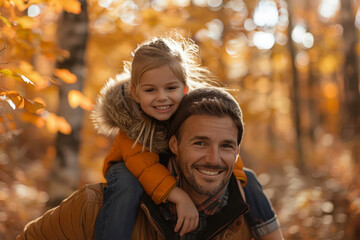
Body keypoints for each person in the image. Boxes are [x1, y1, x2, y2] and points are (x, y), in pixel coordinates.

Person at [16, 87, 284, 239]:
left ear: (237, 151)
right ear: (174, 145)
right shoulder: (94, 209)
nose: (213, 159)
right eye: (200, 143)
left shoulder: (248, 215)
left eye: (226, 146)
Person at [91, 32, 248, 239]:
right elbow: (145, 167)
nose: (162, 98)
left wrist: (236, 179)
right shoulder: (131, 126)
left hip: (166, 167)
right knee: (126, 186)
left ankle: (268, 229)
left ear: (184, 89)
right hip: (129, 168)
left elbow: (222, 143)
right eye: (150, 90)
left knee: (249, 178)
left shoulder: (192, 114)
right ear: (135, 93)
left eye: (170, 88)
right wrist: (179, 197)